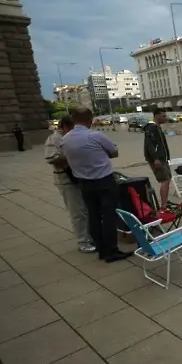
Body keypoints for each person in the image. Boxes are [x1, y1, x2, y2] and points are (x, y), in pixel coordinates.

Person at [60, 108, 130, 262]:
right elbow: (114, 152)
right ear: (90, 120)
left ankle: (101, 250)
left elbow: (66, 159)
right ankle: (112, 251)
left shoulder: (65, 139)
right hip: (104, 181)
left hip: (85, 184)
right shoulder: (95, 136)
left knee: (93, 216)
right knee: (109, 216)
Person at [45, 115, 95, 253]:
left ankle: (89, 237)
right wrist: (71, 155)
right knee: (78, 213)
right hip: (66, 180)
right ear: (65, 127)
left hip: (80, 178)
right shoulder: (55, 138)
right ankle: (83, 242)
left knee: (85, 210)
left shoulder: (70, 137)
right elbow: (51, 157)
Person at [144, 108, 171, 208]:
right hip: (158, 159)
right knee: (164, 180)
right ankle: (163, 205)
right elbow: (150, 145)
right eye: (163, 116)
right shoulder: (151, 127)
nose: (165, 118)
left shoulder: (157, 127)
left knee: (167, 179)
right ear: (157, 116)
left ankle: (166, 202)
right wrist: (156, 158)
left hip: (162, 158)